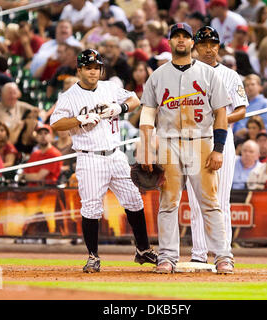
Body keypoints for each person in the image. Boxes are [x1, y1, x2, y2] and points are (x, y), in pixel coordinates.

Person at [50, 49, 158, 273]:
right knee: (91, 208)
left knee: (134, 201)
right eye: (88, 68)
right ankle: (93, 256)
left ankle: (143, 249)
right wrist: (78, 119)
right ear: (79, 70)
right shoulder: (69, 96)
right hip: (89, 157)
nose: (93, 72)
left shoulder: (109, 87)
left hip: (115, 154)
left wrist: (120, 107)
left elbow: (135, 99)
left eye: (96, 68)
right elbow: (56, 123)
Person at [139, 23, 232, 274]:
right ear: (169, 42)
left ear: (192, 42)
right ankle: (167, 257)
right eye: (176, 36)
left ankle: (223, 255)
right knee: (168, 203)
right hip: (169, 143)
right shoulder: (157, 76)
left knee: (210, 202)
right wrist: (146, 150)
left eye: (185, 36)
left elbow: (221, 114)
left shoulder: (209, 74)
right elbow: (147, 115)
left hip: (201, 141)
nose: (181, 40)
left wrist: (219, 148)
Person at [185, 26, 248, 268]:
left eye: (213, 44)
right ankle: (199, 253)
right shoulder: (186, 73)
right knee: (195, 199)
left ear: (218, 46)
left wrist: (219, 118)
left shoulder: (230, 75)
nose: (209, 48)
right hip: (194, 139)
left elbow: (241, 110)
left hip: (223, 138)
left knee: (221, 200)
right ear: (196, 47)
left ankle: (223, 254)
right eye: (204, 44)